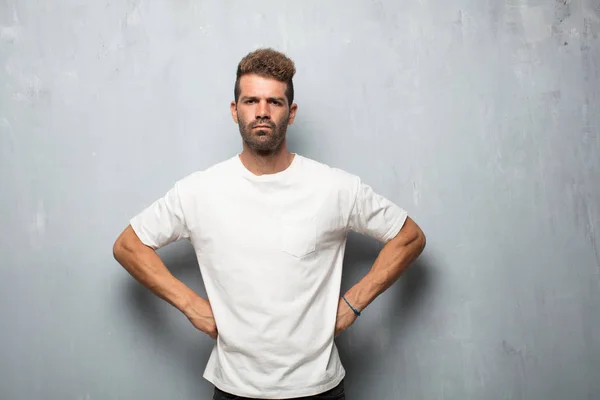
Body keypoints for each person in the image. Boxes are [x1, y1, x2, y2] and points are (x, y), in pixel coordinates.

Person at [113, 48, 426, 400]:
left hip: (318, 388)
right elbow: (128, 246)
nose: (262, 112)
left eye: (274, 102)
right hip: (235, 388)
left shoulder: (334, 187)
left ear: (291, 113)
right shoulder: (200, 190)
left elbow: (410, 237)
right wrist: (189, 304)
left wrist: (354, 302)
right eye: (251, 101)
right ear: (235, 111)